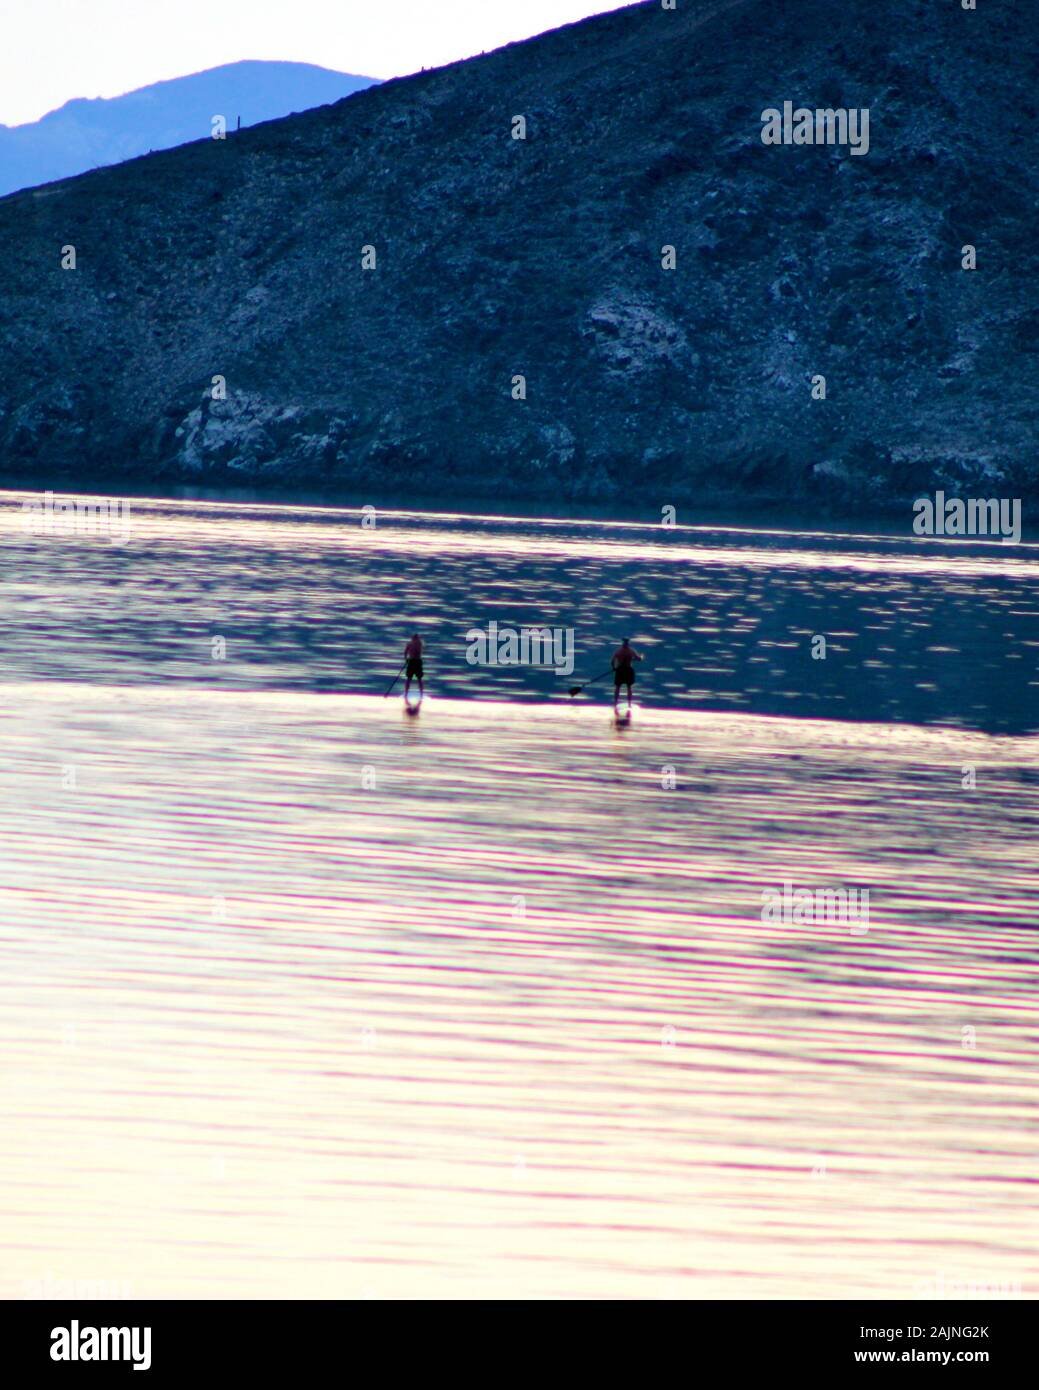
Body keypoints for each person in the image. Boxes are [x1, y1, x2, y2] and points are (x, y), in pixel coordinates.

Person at [611, 637, 642, 710]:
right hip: (628, 670)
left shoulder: (618, 651)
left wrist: (614, 668)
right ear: (628, 643)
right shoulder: (631, 651)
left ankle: (615, 704)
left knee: (618, 687)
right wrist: (641, 657)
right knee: (629, 687)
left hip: (619, 670)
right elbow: (638, 659)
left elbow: (612, 661)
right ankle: (629, 704)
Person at [403, 633, 424, 700]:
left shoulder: (409, 643)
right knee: (419, 679)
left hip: (411, 661)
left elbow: (405, 652)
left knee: (409, 678)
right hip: (417, 661)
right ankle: (421, 694)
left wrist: (406, 659)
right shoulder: (420, 643)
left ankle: (406, 694)